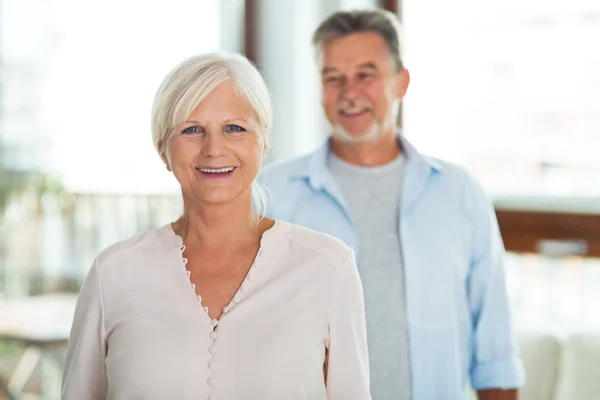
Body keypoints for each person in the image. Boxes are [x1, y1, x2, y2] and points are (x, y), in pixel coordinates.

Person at [61, 52, 371, 400]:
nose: (213, 148)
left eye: (234, 128)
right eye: (192, 130)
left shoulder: (328, 267)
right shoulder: (113, 273)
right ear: (163, 149)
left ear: (263, 143)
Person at [260, 9, 525, 400]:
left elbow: (495, 350)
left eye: (366, 75)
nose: (349, 92)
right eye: (333, 78)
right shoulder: (271, 192)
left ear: (401, 82)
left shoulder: (459, 193)